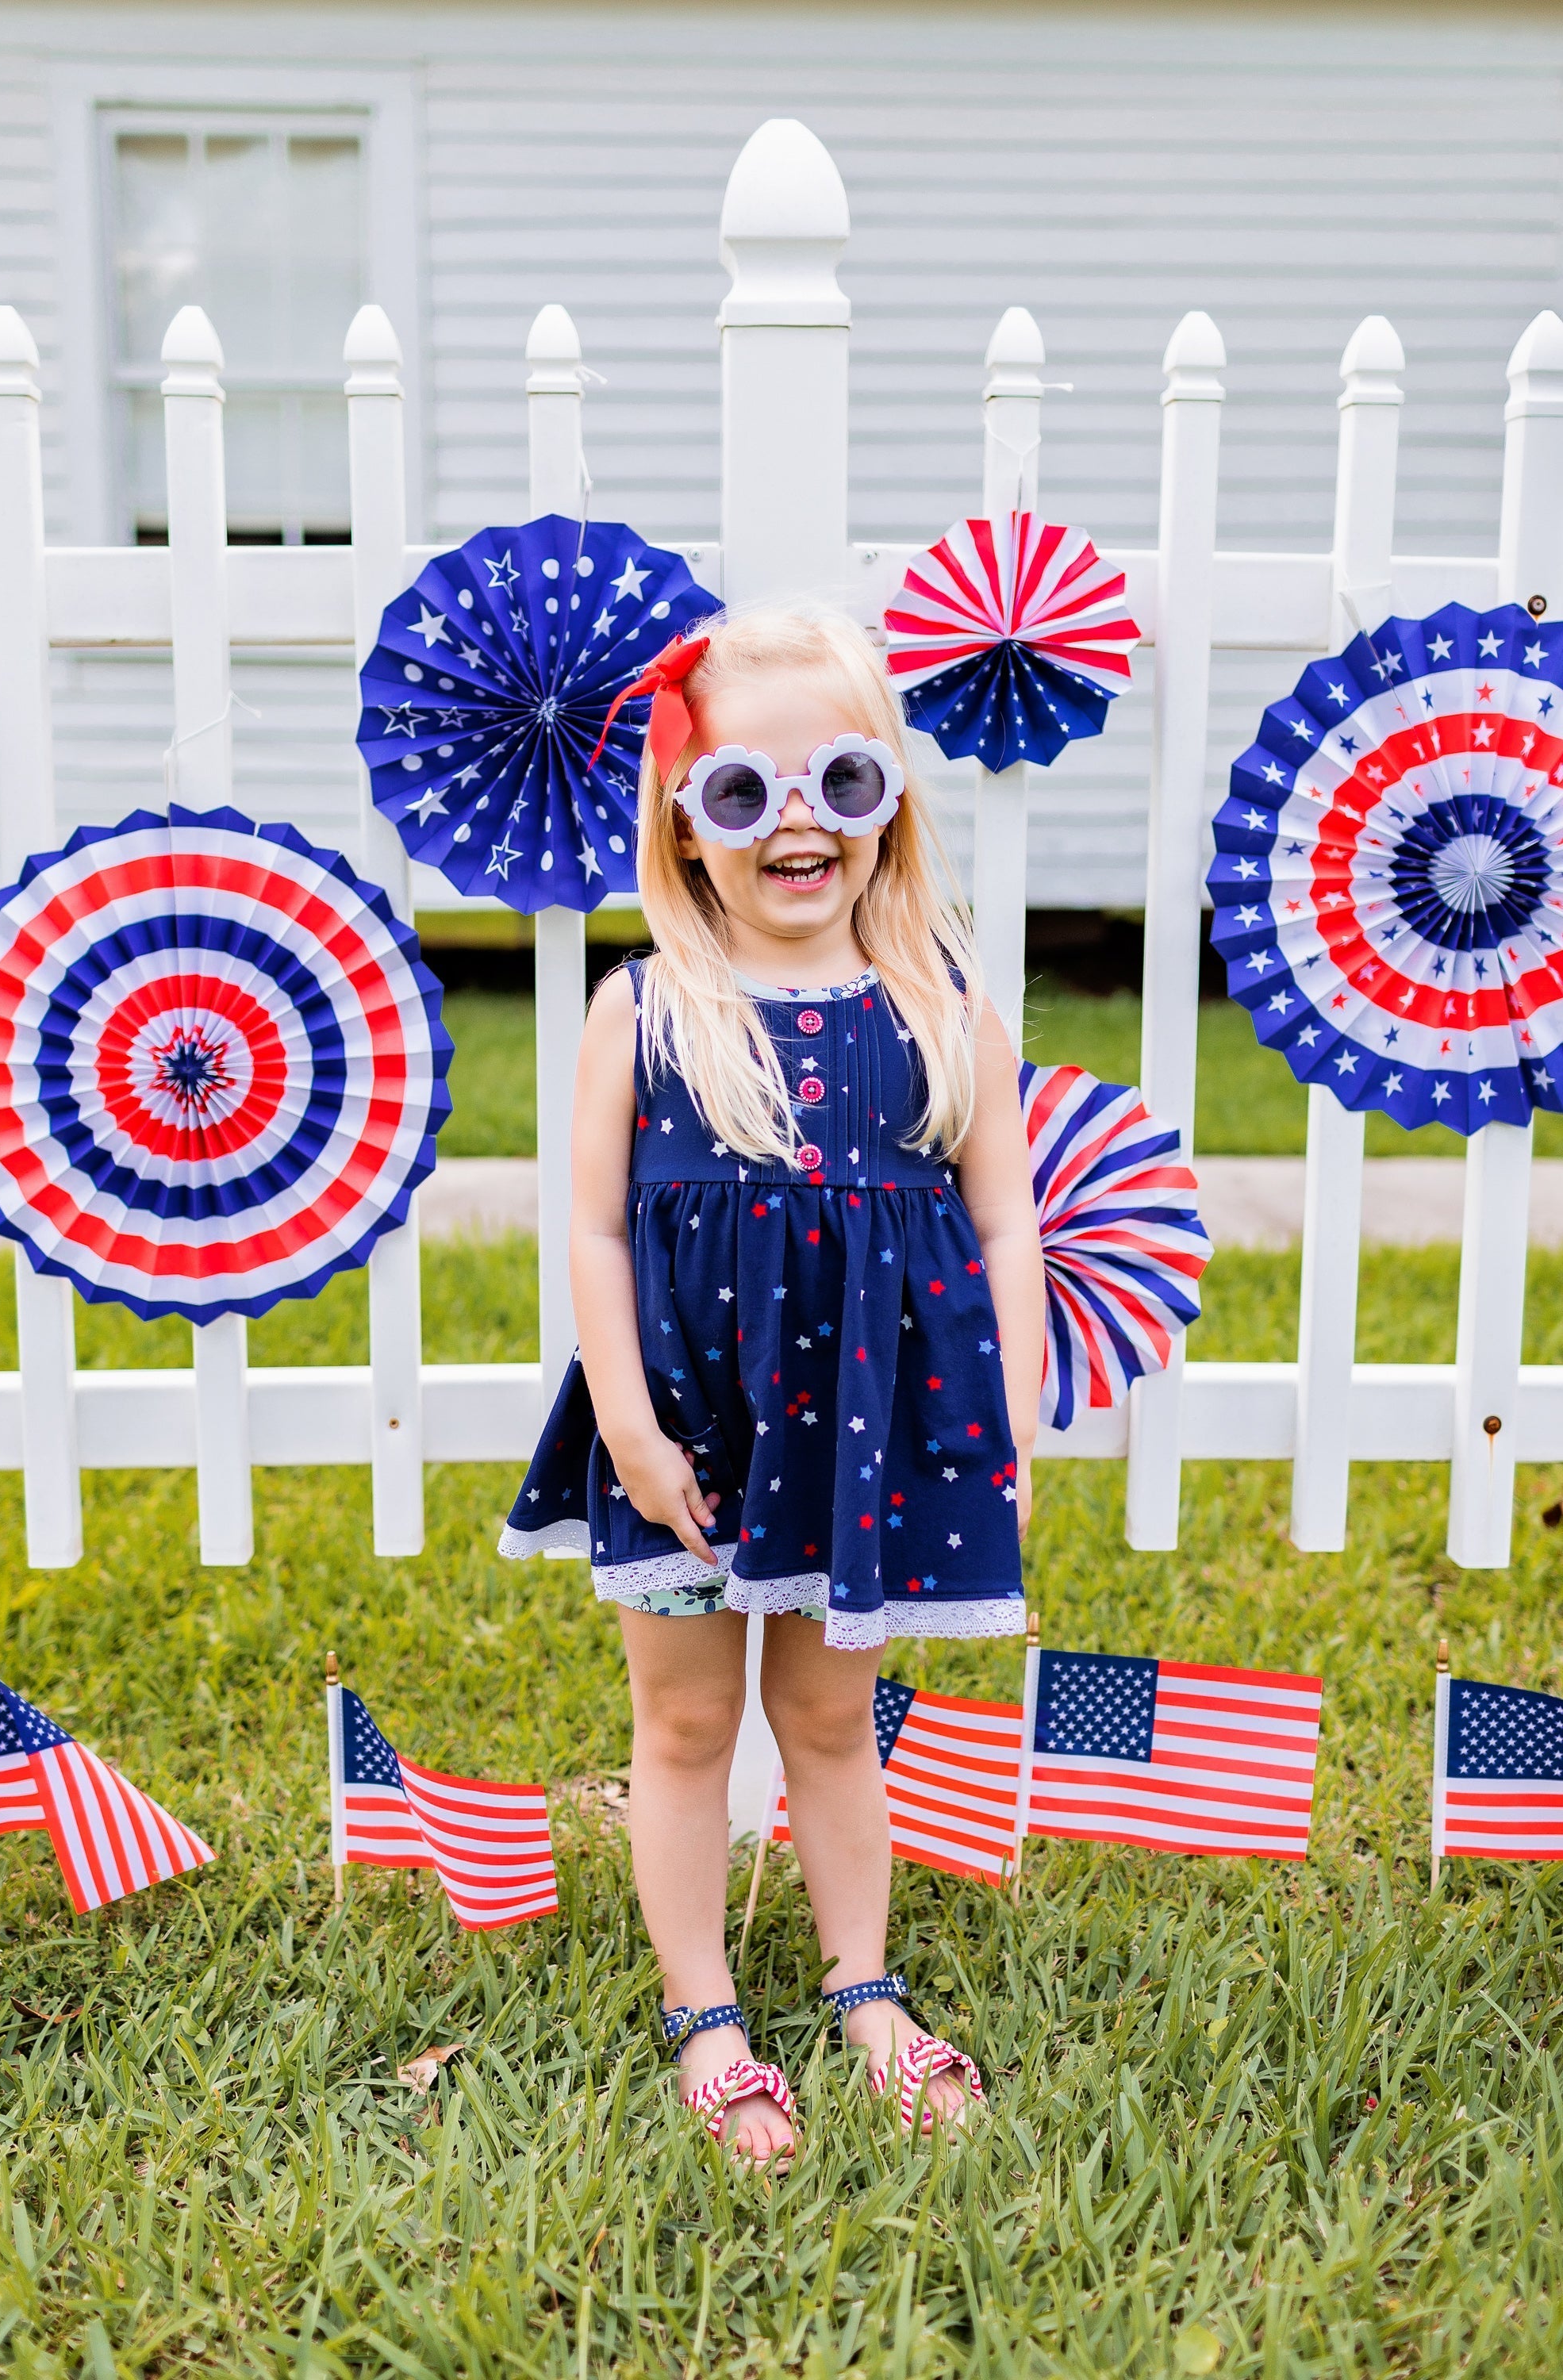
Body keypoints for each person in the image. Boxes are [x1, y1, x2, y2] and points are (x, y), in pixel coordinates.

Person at [501, 606, 1043, 2163]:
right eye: (745, 792)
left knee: (828, 1714)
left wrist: (1004, 1395)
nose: (796, 821)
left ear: (890, 807)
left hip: (867, 1431)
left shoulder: (941, 1009)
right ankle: (703, 2011)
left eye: (841, 782)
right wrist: (620, 1417)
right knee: (680, 1728)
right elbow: (596, 1227)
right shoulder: (646, 1010)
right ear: (687, 819)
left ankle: (863, 1988)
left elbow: (1005, 1220)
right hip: (685, 1427)